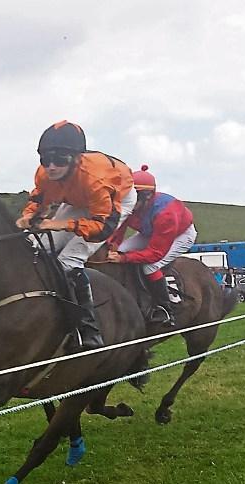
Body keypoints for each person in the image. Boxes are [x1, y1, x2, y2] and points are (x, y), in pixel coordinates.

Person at [15, 120, 136, 350]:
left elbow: (102, 227)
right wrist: (29, 217)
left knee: (67, 262)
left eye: (59, 159)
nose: (51, 166)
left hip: (112, 203)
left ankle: (88, 327)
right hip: (78, 200)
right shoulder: (44, 174)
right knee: (33, 247)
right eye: (45, 159)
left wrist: (61, 225)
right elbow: (38, 199)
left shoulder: (97, 178)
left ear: (77, 157)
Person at [106, 164, 196, 327]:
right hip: (151, 231)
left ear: (147, 196)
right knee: (118, 251)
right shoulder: (132, 204)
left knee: (150, 266)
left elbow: (155, 253)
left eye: (132, 196)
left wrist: (124, 258)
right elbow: (119, 230)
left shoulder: (165, 215)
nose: (127, 200)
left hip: (181, 234)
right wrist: (111, 246)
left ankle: (165, 308)